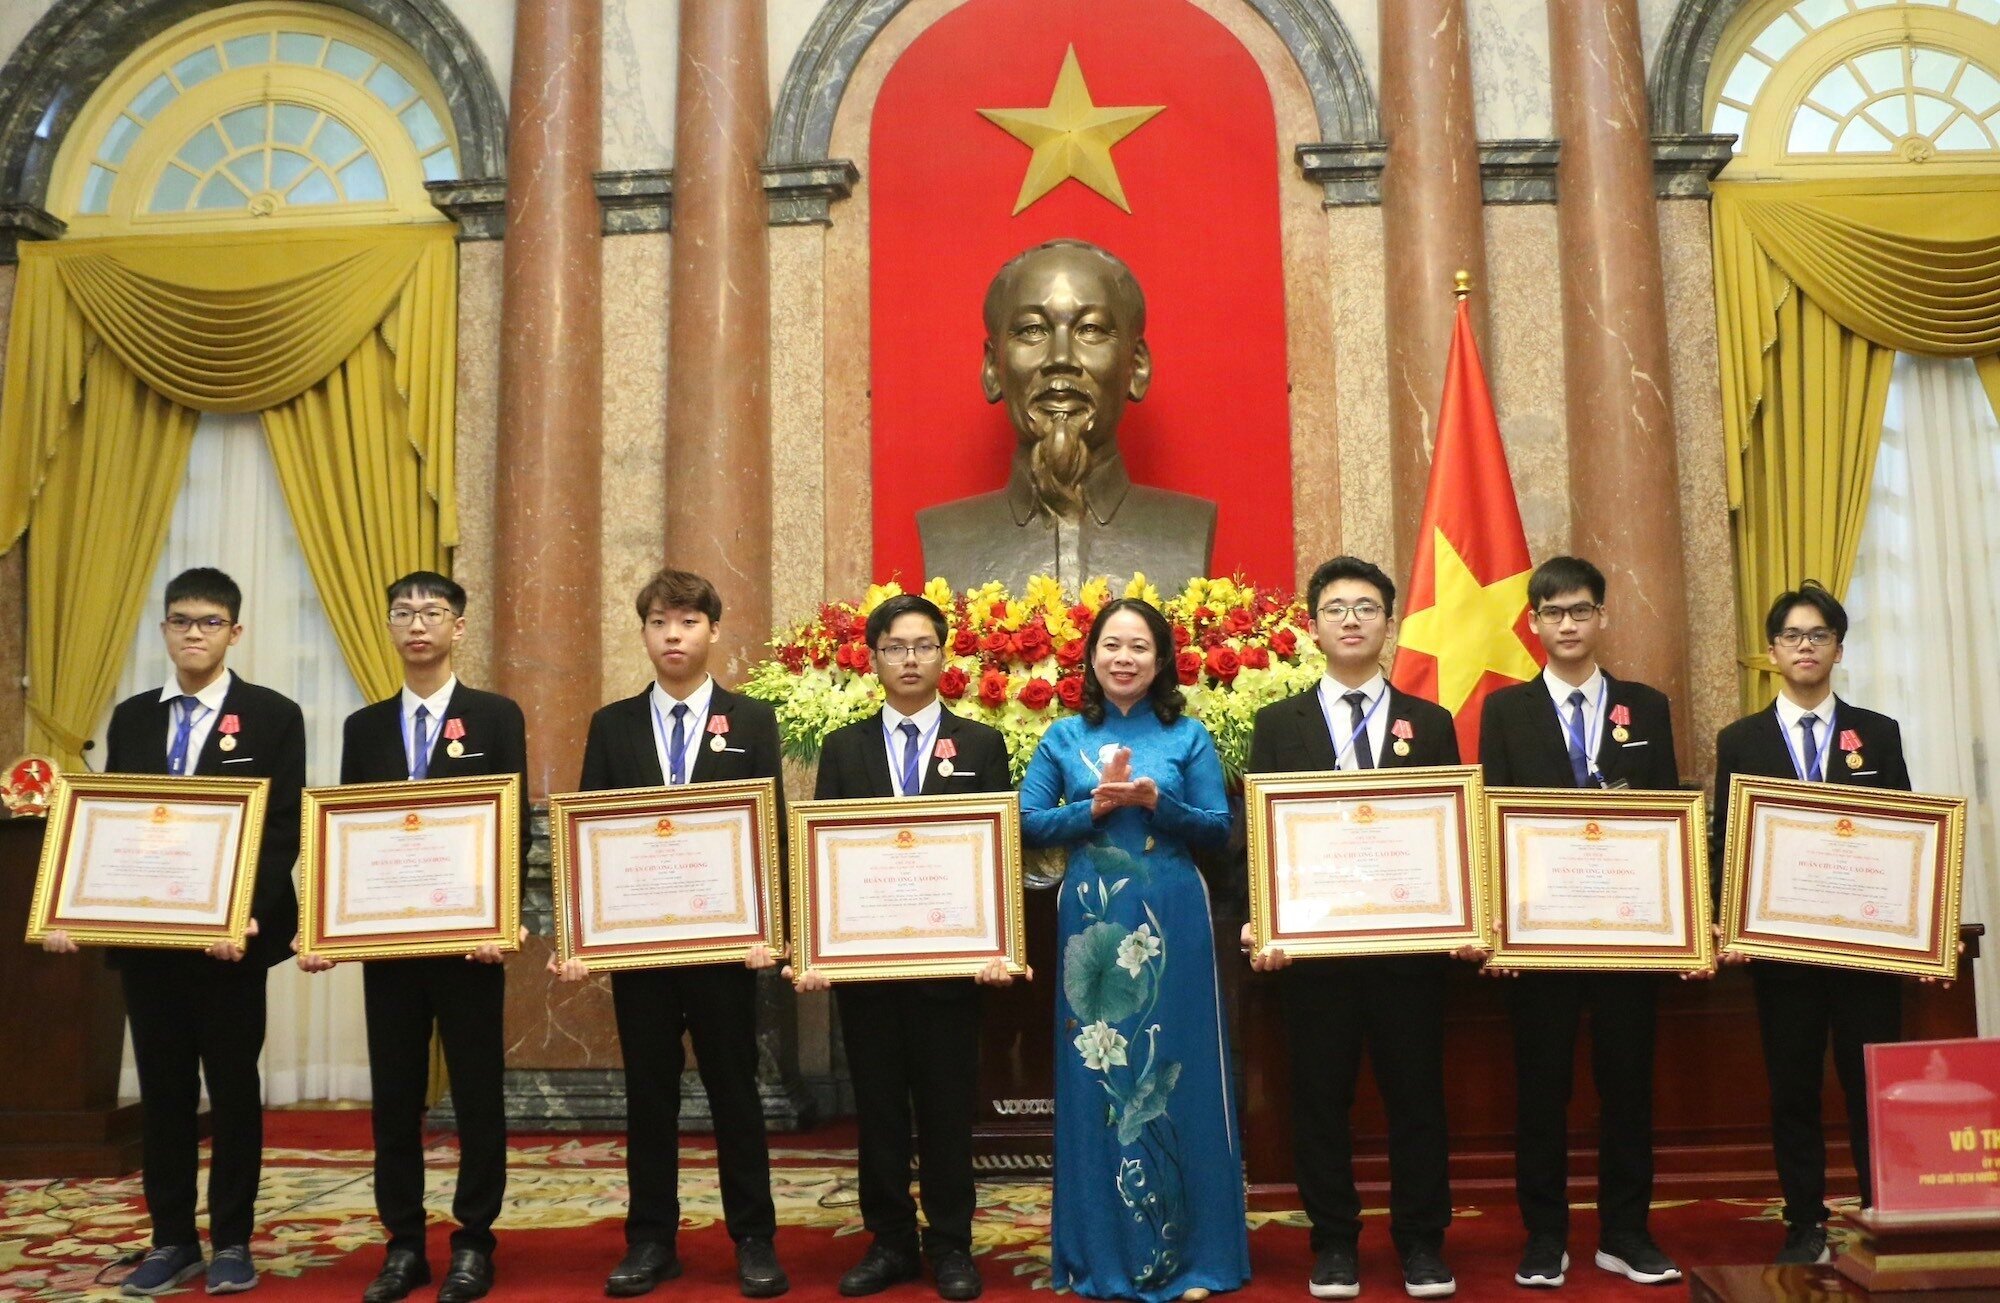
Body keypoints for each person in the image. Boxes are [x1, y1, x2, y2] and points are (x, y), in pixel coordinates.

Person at [43, 568, 304, 1296]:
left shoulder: (273, 715)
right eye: (182, 619)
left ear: (235, 632)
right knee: (162, 1092)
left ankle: (231, 1239)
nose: (194, 632)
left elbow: (279, 829)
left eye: (210, 621)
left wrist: (244, 913)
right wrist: (75, 909)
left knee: (232, 1090)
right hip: (152, 945)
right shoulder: (131, 718)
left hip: (230, 944)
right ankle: (170, 1237)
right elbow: (113, 825)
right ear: (163, 630)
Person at [551, 568, 790, 1299]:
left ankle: (754, 1237)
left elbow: (769, 829)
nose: (674, 635)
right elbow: (590, 832)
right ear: (645, 632)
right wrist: (582, 934)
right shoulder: (612, 724)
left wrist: (770, 928)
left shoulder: (749, 721)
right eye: (660, 622)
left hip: (725, 948)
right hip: (642, 949)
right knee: (648, 1094)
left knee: (734, 1090)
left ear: (714, 630)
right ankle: (651, 1239)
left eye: (688, 621)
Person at [300, 571, 528, 1303]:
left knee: (477, 1093)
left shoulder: (495, 717)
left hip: (469, 944)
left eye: (433, 612)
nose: (417, 623)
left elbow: (512, 825)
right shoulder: (363, 727)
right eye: (402, 612)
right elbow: (351, 836)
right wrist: (333, 921)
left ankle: (473, 1241)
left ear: (460, 627)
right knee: (395, 1097)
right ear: (390, 627)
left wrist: (499, 916)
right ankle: (403, 1244)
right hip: (392, 948)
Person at [1240, 556, 1463, 1300]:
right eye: (1336, 608)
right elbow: (1258, 839)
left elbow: (1448, 832)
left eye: (1367, 606)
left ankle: (1422, 1242)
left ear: (1388, 622)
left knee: (1418, 1101)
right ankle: (1333, 1240)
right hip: (1316, 957)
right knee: (1318, 1102)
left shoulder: (1428, 723)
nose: (1351, 620)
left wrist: (1462, 908)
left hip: (1408, 954)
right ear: (1313, 626)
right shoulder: (1278, 725)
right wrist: (1261, 921)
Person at [788, 593, 1018, 1301]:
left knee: (948, 1112)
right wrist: (818, 947)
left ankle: (950, 1244)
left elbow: (996, 854)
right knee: (879, 1112)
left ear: (943, 655)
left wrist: (998, 938)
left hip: (952, 971)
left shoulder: (980, 744)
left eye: (923, 645)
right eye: (895, 646)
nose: (910, 659)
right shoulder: (844, 747)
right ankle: (889, 1240)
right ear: (873, 657)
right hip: (869, 972)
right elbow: (828, 855)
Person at [1019, 597, 1249, 1302]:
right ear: (1090, 656)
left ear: (1161, 659)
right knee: (1100, 1078)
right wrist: (1089, 810)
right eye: (1112, 644)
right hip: (1094, 918)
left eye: (1140, 646)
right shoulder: (1061, 736)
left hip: (1174, 917)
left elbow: (1218, 829)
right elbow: (1024, 821)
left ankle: (1193, 1253)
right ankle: (1104, 1252)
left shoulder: (1188, 736)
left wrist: (1157, 804)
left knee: (1177, 1070)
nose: (1125, 658)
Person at [1477, 556, 1683, 1289]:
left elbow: (1670, 820)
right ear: (1533, 622)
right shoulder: (1504, 711)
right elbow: (1489, 824)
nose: (1567, 624)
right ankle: (1546, 1234)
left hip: (1629, 935)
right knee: (1542, 1087)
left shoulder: (1645, 705)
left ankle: (1627, 1231)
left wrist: (1680, 923)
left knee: (1629, 1084)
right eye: (1554, 612)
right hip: (1540, 935)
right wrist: (1498, 928)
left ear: (1603, 617)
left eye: (1581, 610)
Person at [1711, 583, 1912, 1266]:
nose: (1805, 645)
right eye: (1793, 635)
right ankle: (1804, 1220)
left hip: (1864, 955)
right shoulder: (1740, 739)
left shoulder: (1877, 732)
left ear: (1838, 648)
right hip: (1782, 955)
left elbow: (1905, 834)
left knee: (1870, 1086)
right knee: (1793, 1088)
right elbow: (1724, 842)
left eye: (1818, 634)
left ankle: (1886, 1209)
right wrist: (1727, 920)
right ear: (1772, 651)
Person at [916, 240, 1216, 593]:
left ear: (1136, 367)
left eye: (1090, 329)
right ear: (992, 369)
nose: (1061, 358)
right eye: (1032, 330)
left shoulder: (1188, 530)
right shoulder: (948, 536)